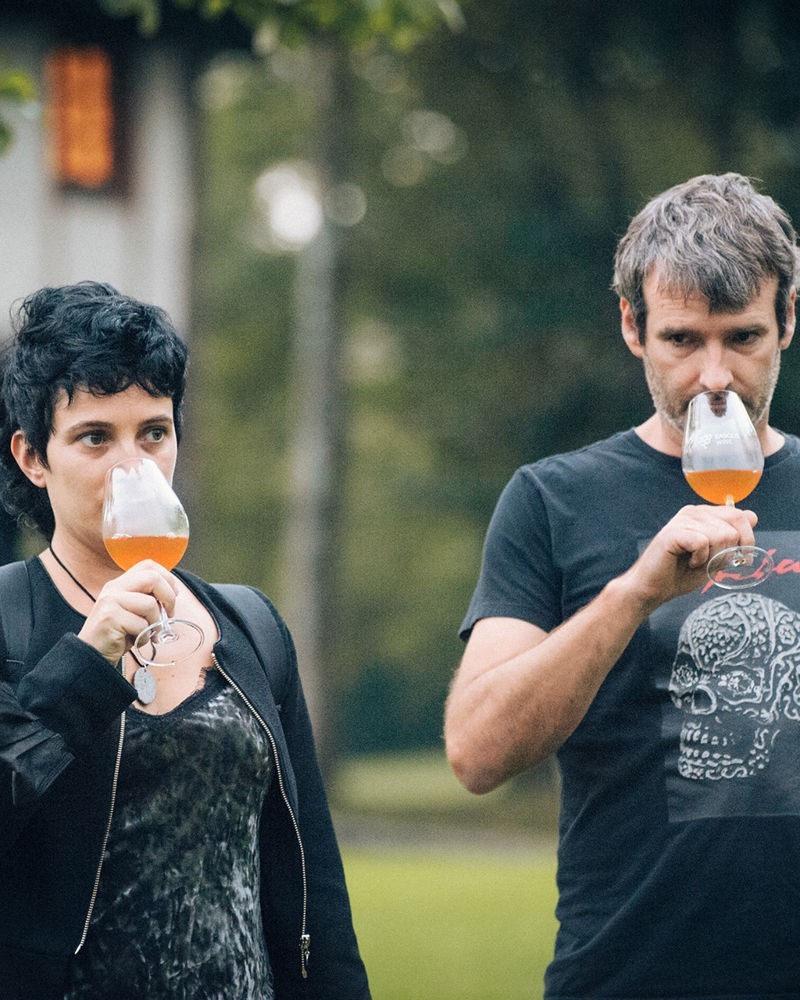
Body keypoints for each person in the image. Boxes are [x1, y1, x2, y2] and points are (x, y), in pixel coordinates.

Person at [444, 173, 800, 998]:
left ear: (787, 320)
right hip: (630, 976)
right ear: (633, 328)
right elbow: (477, 753)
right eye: (683, 340)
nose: (715, 377)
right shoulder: (553, 500)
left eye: (742, 337)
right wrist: (632, 594)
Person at [0, 281, 371, 1000]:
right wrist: (87, 661)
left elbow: (316, 889)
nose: (132, 465)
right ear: (32, 457)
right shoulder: (9, 618)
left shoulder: (249, 625)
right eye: (94, 436)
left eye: (154, 432)